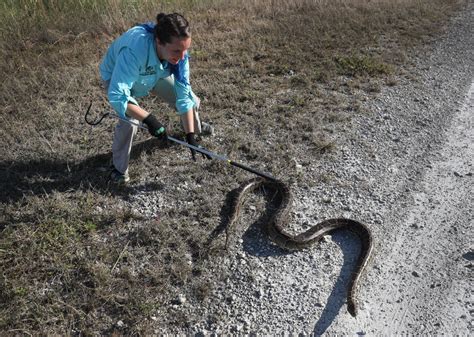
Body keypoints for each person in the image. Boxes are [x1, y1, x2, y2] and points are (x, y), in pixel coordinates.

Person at [99, 12, 213, 184]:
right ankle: (118, 170)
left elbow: (183, 95)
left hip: (154, 73)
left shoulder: (178, 55)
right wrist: (149, 119)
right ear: (159, 41)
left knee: (191, 100)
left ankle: (194, 130)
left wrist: (190, 136)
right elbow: (117, 94)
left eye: (185, 50)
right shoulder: (134, 50)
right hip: (120, 78)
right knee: (130, 121)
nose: (182, 57)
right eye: (177, 51)